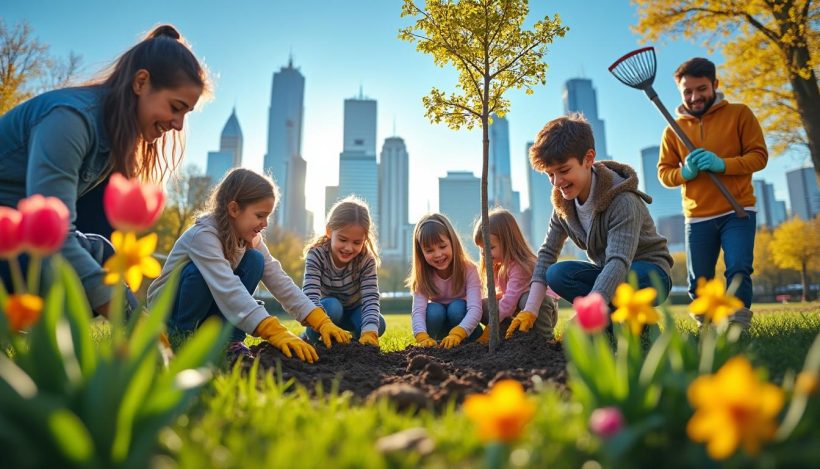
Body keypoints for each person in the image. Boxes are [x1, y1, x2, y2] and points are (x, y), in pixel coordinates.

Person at [0, 24, 206, 316]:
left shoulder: (113, 141)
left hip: (23, 243)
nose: (178, 125)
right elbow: (54, 236)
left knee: (108, 256)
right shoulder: (69, 122)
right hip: (10, 240)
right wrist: (130, 318)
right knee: (96, 267)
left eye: (186, 113)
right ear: (141, 82)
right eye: (175, 107)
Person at [147, 169, 351, 362]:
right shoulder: (203, 236)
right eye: (260, 215)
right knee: (197, 272)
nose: (265, 224)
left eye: (268, 216)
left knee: (256, 261)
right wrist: (274, 331)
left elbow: (279, 279)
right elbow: (229, 288)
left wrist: (318, 319)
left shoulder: (250, 238)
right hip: (168, 309)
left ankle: (229, 340)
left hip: (209, 301)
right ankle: (181, 335)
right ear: (234, 209)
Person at [507, 114, 674, 338]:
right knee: (556, 274)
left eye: (564, 171)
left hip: (648, 274)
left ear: (588, 158)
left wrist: (587, 313)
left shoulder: (622, 201)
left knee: (624, 278)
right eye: (550, 174)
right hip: (609, 272)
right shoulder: (563, 204)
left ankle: (632, 321)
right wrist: (530, 310)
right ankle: (620, 326)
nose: (557, 182)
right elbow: (547, 254)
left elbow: (618, 262)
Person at [658, 57, 767, 329]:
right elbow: (664, 173)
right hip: (697, 217)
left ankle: (737, 324)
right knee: (700, 279)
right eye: (688, 91)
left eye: (701, 89)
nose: (694, 97)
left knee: (739, 267)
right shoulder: (673, 130)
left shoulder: (740, 114)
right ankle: (705, 326)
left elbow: (759, 156)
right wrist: (685, 174)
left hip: (738, 209)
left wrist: (723, 164)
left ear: (715, 85)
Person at [302, 196, 386, 348]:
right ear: (329, 231)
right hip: (327, 312)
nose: (348, 248)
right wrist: (321, 322)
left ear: (365, 239)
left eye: (356, 242)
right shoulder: (317, 254)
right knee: (333, 306)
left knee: (378, 324)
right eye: (342, 239)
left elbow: (370, 297)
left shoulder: (366, 260)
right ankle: (313, 338)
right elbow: (310, 294)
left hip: (354, 311)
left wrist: (369, 332)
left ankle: (356, 341)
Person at [472, 208, 557, 343]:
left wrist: (490, 328)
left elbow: (509, 303)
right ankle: (509, 336)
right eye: (481, 248)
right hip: (516, 312)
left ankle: (545, 340)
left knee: (525, 299)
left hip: (539, 311)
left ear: (508, 242)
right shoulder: (498, 265)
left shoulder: (521, 266)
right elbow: (504, 297)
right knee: (484, 305)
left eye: (490, 248)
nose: (484, 253)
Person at [407, 213, 483, 349]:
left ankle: (467, 344)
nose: (438, 254)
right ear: (421, 253)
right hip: (439, 323)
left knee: (457, 308)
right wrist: (421, 336)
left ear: (453, 243)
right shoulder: (423, 275)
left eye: (442, 246)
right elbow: (418, 311)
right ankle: (437, 342)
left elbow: (475, 309)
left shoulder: (469, 269)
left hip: (464, 325)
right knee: (433, 311)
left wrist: (459, 333)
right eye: (429, 250)